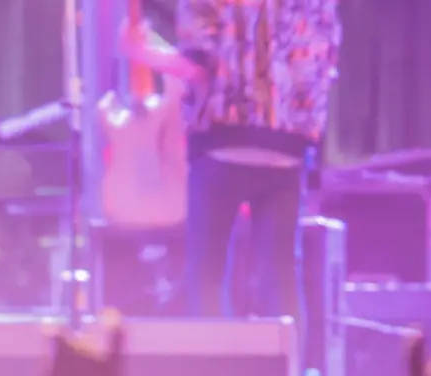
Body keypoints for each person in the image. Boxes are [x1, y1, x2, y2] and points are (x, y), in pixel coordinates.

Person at [122, 0, 341, 323]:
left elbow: (198, 66)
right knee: (282, 276)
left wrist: (143, 51)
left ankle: (217, 357)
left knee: (208, 275)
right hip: (288, 147)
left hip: (222, 140)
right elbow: (321, 62)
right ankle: (290, 357)